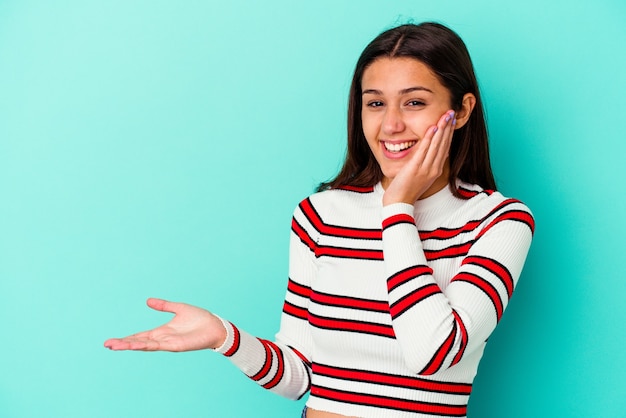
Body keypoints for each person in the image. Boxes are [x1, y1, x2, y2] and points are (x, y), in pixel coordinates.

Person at [104, 22, 534, 418]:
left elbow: (434, 353)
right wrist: (225, 337)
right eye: (376, 103)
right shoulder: (321, 216)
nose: (391, 124)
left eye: (415, 102)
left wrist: (397, 209)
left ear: (460, 110)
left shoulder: (497, 221)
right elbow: (301, 377)